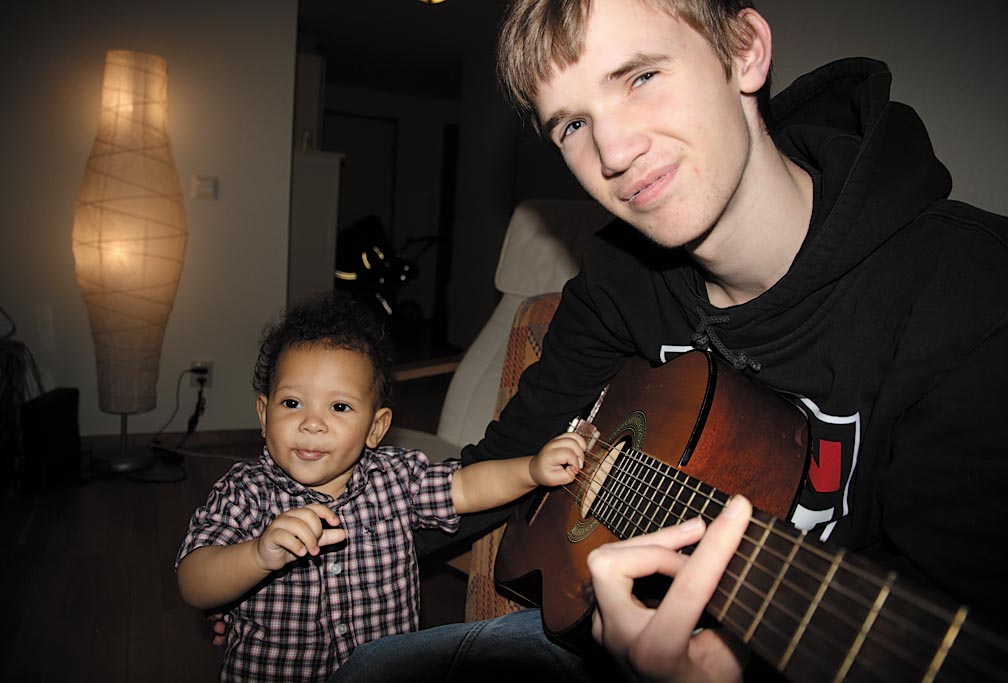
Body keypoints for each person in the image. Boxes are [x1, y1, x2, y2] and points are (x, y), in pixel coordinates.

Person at [334, 0, 1008, 681]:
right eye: (571, 123)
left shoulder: (969, 296)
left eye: (641, 77)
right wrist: (337, 548)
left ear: (743, 50)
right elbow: (517, 451)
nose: (614, 153)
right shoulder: (617, 277)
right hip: (590, 629)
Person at [175, 292, 586, 681]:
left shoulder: (397, 479)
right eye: (292, 403)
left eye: (339, 407)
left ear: (376, 428)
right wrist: (257, 554)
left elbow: (466, 486)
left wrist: (531, 470)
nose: (311, 423)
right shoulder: (244, 492)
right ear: (264, 415)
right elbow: (193, 581)